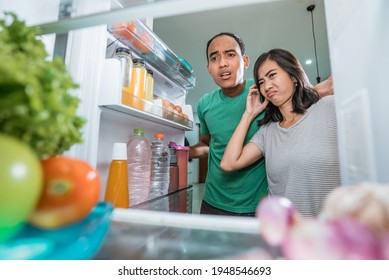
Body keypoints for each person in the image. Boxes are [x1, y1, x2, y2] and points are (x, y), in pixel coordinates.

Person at [190, 32, 333, 216]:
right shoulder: (204, 104)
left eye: (230, 54)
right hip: (213, 199)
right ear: (209, 68)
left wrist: (320, 90)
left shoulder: (261, 93)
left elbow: (294, 98)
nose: (223, 63)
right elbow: (207, 144)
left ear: (245, 61)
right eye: (214, 58)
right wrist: (183, 152)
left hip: (257, 203)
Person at [220, 48, 340, 217]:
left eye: (272, 75)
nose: (267, 86)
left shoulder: (329, 108)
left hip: (332, 234)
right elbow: (228, 163)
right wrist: (249, 114)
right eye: (261, 82)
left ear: (293, 75)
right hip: (285, 235)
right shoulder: (267, 132)